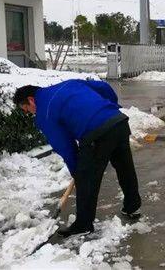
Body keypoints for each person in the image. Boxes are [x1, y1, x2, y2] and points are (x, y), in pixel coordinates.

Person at [13, 80, 142, 237]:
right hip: (118, 122)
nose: (30, 113)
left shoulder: (44, 112)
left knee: (86, 180)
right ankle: (132, 206)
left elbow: (64, 146)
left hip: (97, 133)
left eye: (27, 109)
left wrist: (78, 172)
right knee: (125, 167)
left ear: (31, 100)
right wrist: (112, 107)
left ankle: (83, 225)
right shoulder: (68, 84)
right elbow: (103, 87)